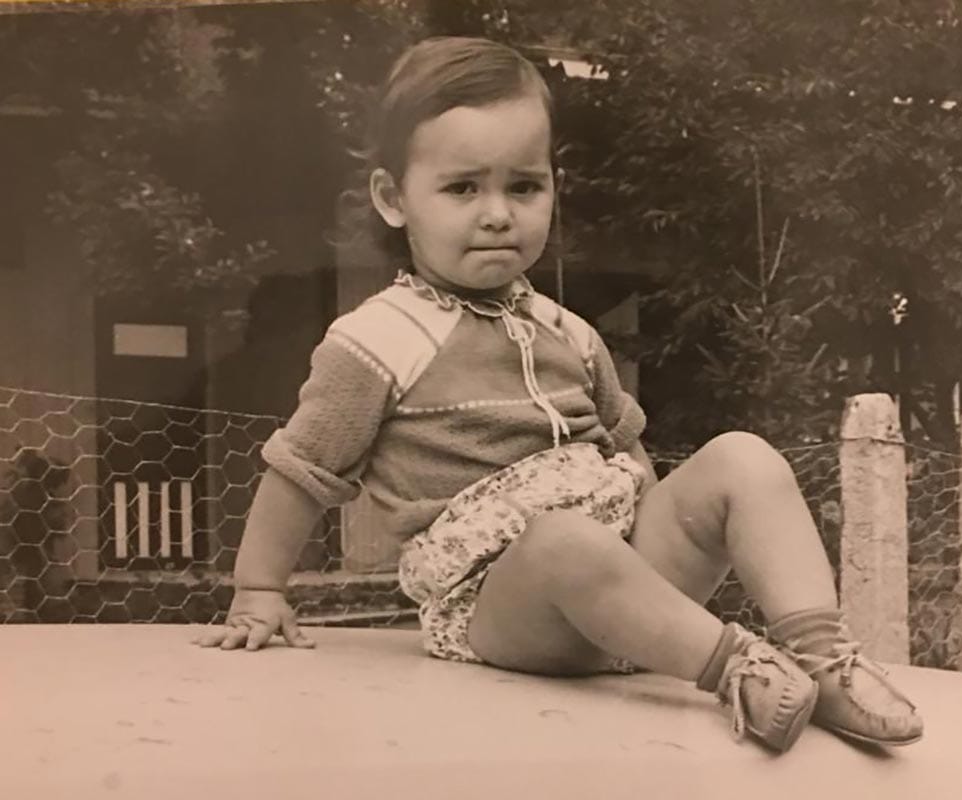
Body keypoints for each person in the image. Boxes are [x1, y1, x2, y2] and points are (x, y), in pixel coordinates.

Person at [193, 35, 922, 753]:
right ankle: (738, 669)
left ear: (552, 189)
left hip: (613, 577)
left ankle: (821, 658)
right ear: (393, 199)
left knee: (743, 457)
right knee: (562, 540)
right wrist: (260, 589)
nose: (498, 213)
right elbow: (302, 470)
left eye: (524, 186)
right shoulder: (379, 338)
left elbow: (630, 458)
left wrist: (652, 576)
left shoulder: (567, 330)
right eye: (461, 187)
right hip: (500, 608)